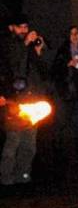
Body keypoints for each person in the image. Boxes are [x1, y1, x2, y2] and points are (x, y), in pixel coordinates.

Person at [0, 13, 50, 185]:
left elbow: (44, 72)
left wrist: (38, 51)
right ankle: (6, 178)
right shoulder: (8, 44)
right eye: (20, 26)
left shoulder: (28, 48)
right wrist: (26, 43)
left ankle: (23, 175)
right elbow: (13, 64)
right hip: (15, 101)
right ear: (11, 27)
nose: (24, 30)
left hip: (33, 100)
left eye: (26, 27)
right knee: (13, 141)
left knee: (29, 144)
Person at [52, 25, 78, 154]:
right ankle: (59, 148)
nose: (75, 36)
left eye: (77, 33)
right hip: (66, 90)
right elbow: (55, 69)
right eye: (72, 34)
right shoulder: (63, 51)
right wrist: (68, 64)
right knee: (63, 120)